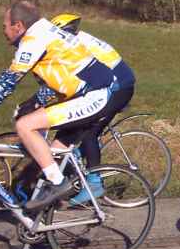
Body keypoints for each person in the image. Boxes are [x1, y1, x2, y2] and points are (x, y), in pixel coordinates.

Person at [0, 1, 120, 212]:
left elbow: (5, 85)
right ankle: (40, 214)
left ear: (18, 26)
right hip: (85, 93)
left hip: (95, 96)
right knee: (45, 149)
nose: (4, 32)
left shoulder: (34, 40)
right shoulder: (43, 29)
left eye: (5, 26)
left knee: (26, 126)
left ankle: (58, 184)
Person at [49, 13, 135, 205]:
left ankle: (95, 183)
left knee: (89, 131)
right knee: (80, 129)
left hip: (118, 88)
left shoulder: (79, 46)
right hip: (114, 86)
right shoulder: (80, 39)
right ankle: (79, 159)